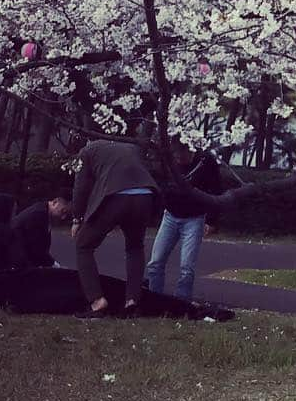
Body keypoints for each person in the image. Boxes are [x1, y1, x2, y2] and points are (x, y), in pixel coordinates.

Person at [71, 135, 158, 318]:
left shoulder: (87, 151)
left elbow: (81, 187)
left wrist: (77, 218)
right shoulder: (130, 147)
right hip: (145, 194)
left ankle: (97, 301)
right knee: (135, 247)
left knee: (84, 246)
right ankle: (132, 301)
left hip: (115, 197)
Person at [144, 140, 222, 301]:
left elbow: (216, 190)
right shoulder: (169, 161)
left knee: (187, 267)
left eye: (181, 157)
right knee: (155, 262)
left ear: (190, 151)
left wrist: (212, 221)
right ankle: (154, 297)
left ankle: (182, 300)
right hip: (170, 215)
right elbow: (161, 183)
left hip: (194, 218)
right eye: (175, 157)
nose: (179, 161)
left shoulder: (206, 162)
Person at [12, 193, 73, 269]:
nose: (63, 217)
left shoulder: (44, 212)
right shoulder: (39, 214)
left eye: (66, 214)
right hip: (17, 260)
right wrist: (56, 266)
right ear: (55, 202)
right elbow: (37, 249)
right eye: (63, 211)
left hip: (22, 259)